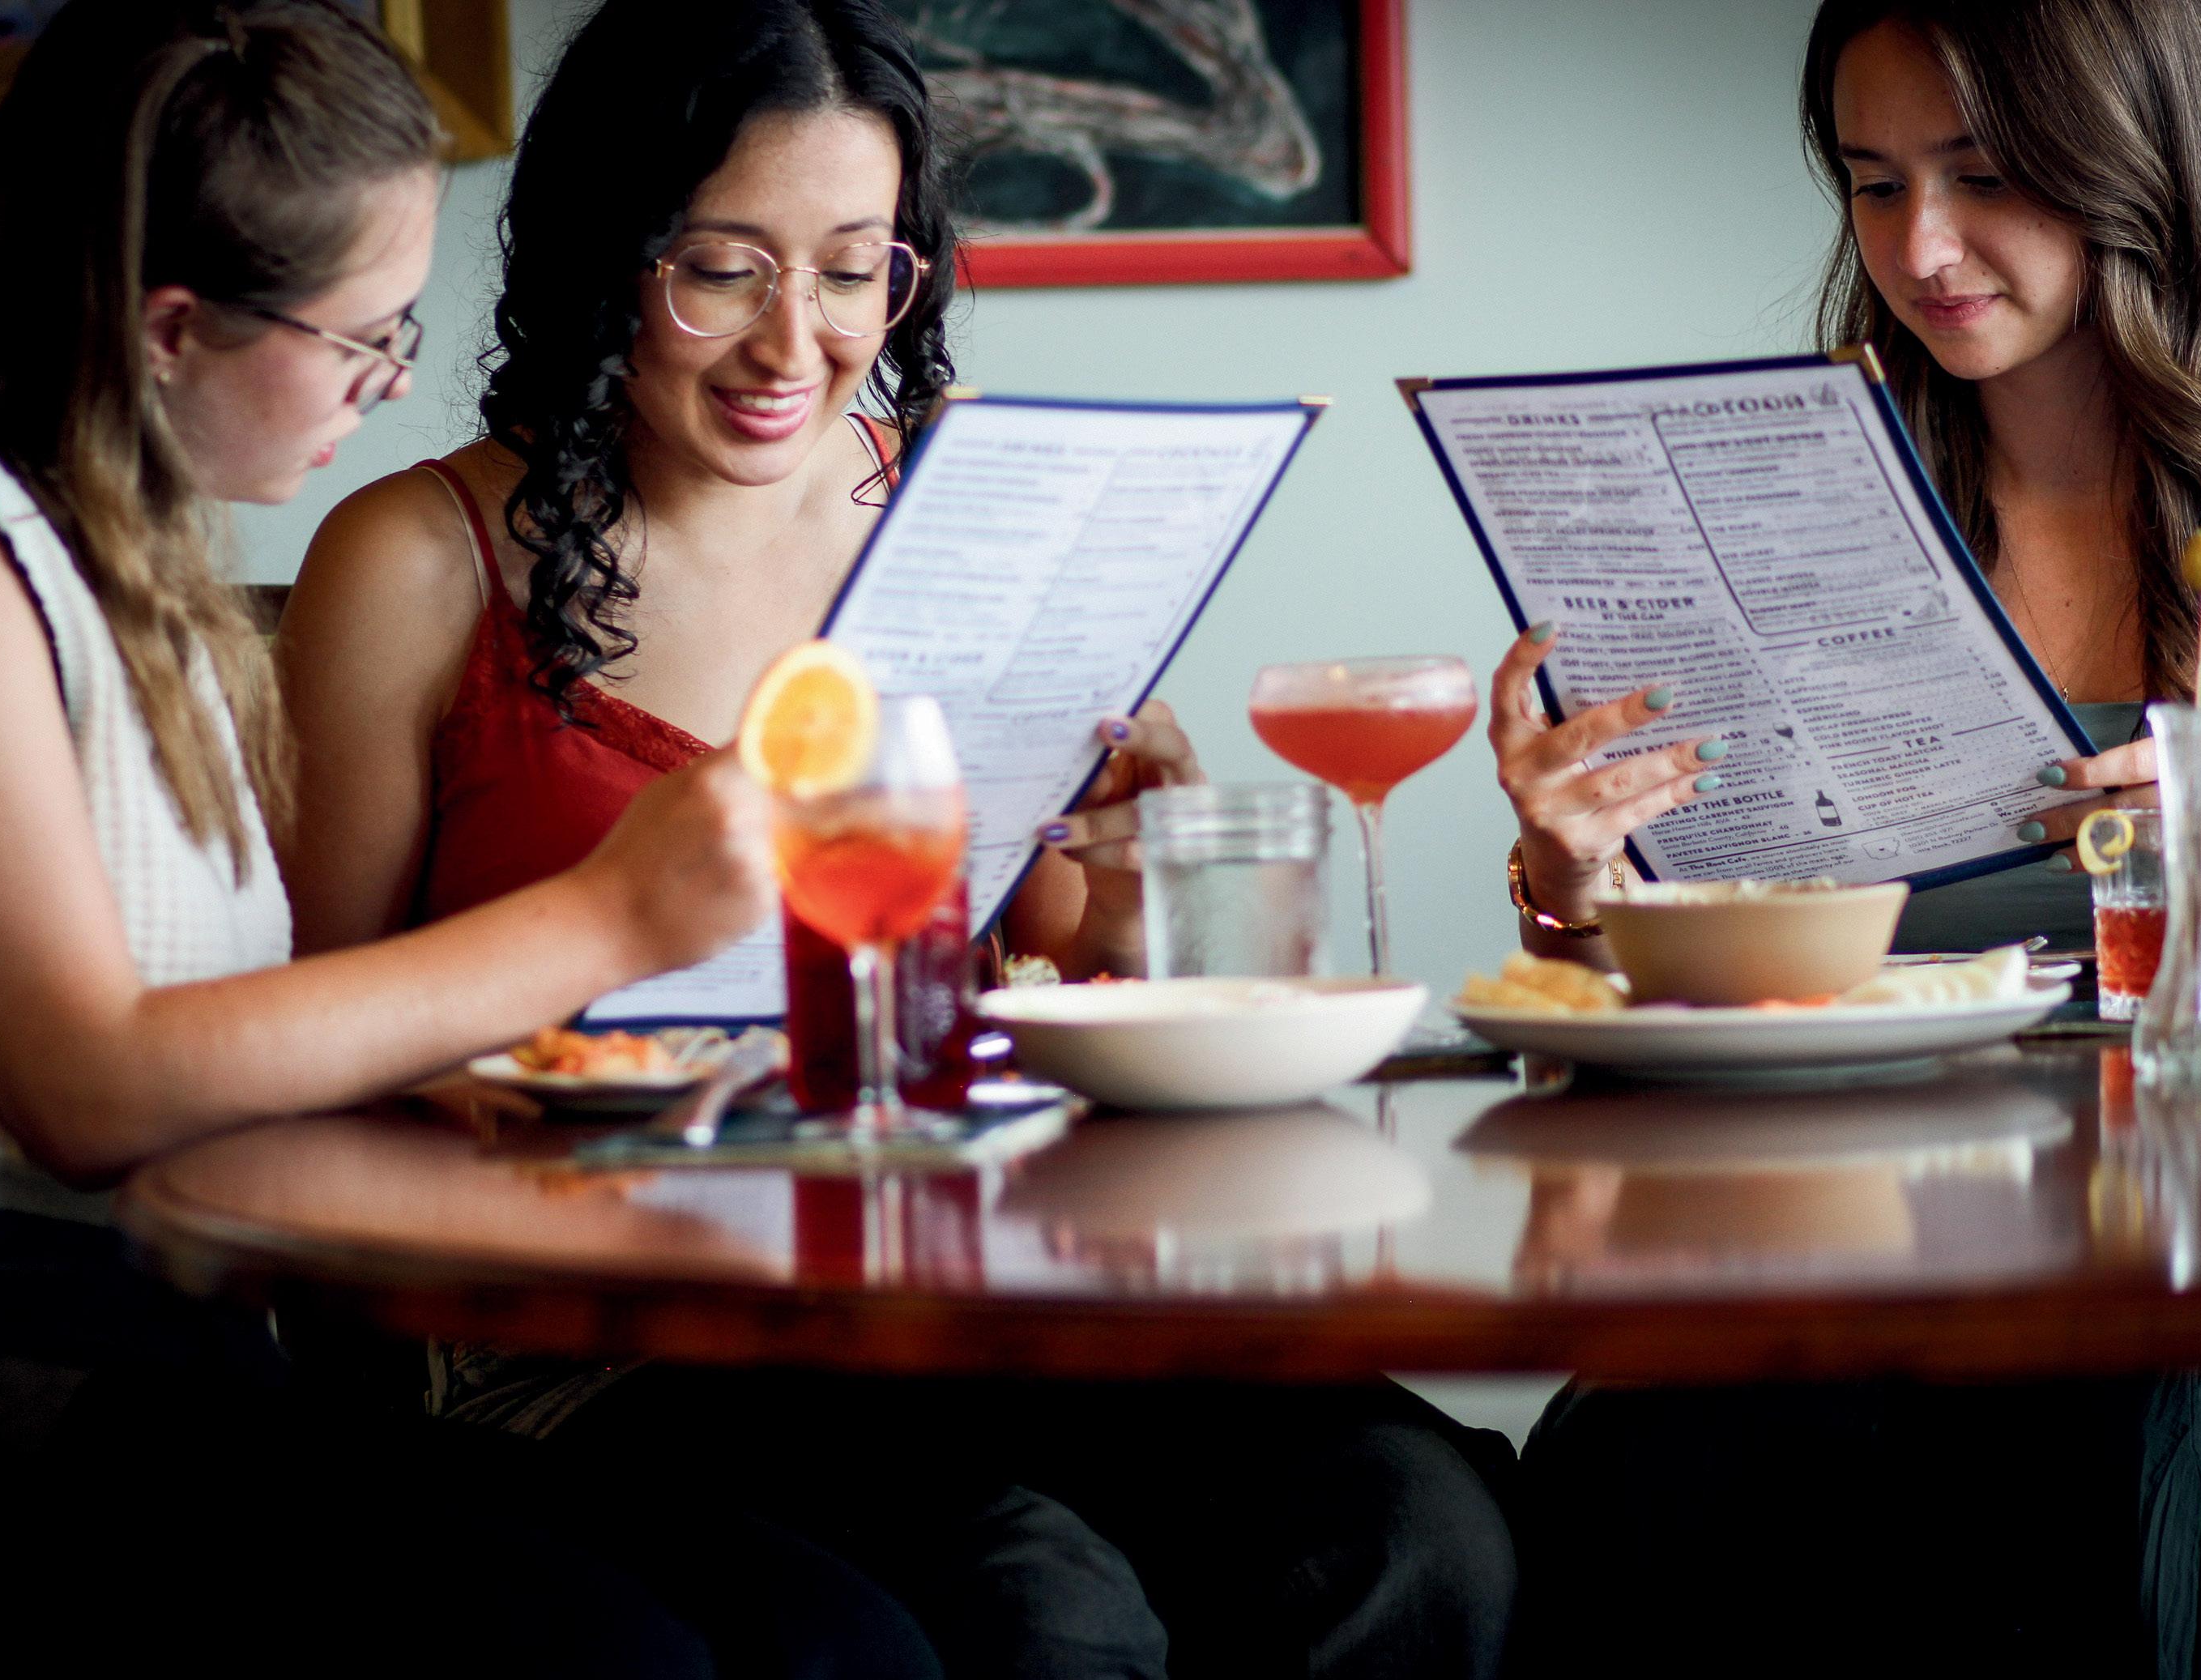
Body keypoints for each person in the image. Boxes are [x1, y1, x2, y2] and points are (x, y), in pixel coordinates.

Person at [276, 3, 1519, 1675]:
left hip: (993, 1279)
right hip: (623, 1327)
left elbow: (1056, 963)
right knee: (1035, 1599)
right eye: (722, 270)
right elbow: (318, 1045)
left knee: (1404, 1523)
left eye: (854, 270)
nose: (793, 343)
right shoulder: (416, 561)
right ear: (599, 255)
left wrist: (1131, 880)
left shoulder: (963, 508)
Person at [0, 4, 942, 1673]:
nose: (390, 385)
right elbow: (86, 1091)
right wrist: (608, 919)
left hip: (183, 1320)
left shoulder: (117, 542)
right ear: (173, 326)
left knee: (842, 1633)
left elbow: (239, 1021)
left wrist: (471, 1069)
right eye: (365, 338)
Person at [1495, 1, 2201, 1674]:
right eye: (1872, 183)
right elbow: (1705, 1004)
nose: (1919, 247)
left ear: (2135, 162)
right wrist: (1581, 888)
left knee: (2191, 1512)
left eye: (1984, 177)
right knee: (1637, 1479)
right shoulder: (1794, 493)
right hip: (1866, 1260)